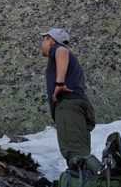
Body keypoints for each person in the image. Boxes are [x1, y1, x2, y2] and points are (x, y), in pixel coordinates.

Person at [40, 27, 95, 167]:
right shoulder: (71, 61)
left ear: (50, 40)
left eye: (44, 39)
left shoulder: (58, 49)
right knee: (82, 154)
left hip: (68, 107)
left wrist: (59, 83)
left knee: (76, 156)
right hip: (76, 106)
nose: (42, 44)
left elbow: (62, 51)